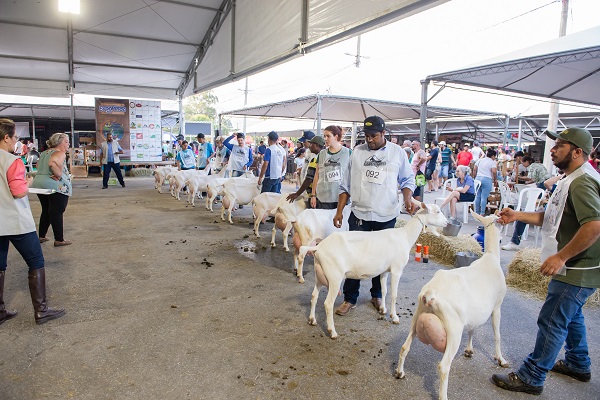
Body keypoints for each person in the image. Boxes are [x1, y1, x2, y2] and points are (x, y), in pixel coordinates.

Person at [492, 127, 600, 395]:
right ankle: (578, 363)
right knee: (571, 315)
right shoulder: (570, 178)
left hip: (577, 267)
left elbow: (594, 226)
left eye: (560, 145)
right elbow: (552, 217)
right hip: (575, 264)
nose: (552, 150)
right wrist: (518, 215)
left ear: (577, 152)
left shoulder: (582, 182)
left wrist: (561, 256)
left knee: (552, 320)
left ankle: (532, 376)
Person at [333, 116, 416, 316]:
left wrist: (407, 198)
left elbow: (407, 180)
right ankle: (349, 298)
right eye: (367, 136)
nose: (369, 140)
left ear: (383, 133)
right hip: (359, 213)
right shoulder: (357, 152)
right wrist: (339, 211)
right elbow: (345, 185)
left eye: (374, 136)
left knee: (382, 258)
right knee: (353, 255)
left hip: (386, 214)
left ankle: (377, 295)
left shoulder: (397, 153)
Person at [0, 118, 65, 325]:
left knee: (0, 264)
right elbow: (19, 192)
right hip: (15, 219)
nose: (16, 141)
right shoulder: (12, 161)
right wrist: (27, 182)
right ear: (6, 138)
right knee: (36, 261)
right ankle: (41, 311)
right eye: (14, 137)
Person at [31, 133, 73, 247]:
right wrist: (58, 174)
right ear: (59, 143)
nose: (68, 144)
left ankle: (42, 236)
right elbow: (52, 163)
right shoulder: (60, 153)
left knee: (46, 210)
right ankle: (59, 239)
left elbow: (38, 165)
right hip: (54, 186)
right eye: (66, 142)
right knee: (57, 211)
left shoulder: (44, 153)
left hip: (39, 183)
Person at [502, 173, 563, 251]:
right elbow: (547, 183)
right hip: (546, 212)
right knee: (521, 216)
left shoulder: (567, 190)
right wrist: (563, 176)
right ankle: (514, 243)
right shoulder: (558, 188)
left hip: (555, 216)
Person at [310, 126, 351, 209]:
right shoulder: (322, 154)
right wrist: (313, 195)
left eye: (328, 136)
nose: (325, 139)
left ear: (336, 136)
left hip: (342, 196)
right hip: (324, 197)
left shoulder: (348, 153)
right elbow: (317, 175)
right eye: (324, 136)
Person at [286, 136, 324, 204]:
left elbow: (309, 179)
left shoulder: (315, 159)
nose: (310, 146)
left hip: (313, 194)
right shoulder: (322, 157)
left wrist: (297, 194)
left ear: (316, 145)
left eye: (311, 144)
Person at [473, 148, 497, 215]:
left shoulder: (480, 160)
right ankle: (482, 213)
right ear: (493, 156)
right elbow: (494, 171)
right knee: (484, 197)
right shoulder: (492, 162)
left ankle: (477, 212)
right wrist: (495, 179)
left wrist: (475, 178)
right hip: (487, 179)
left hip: (478, 178)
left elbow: (474, 169)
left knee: (478, 196)